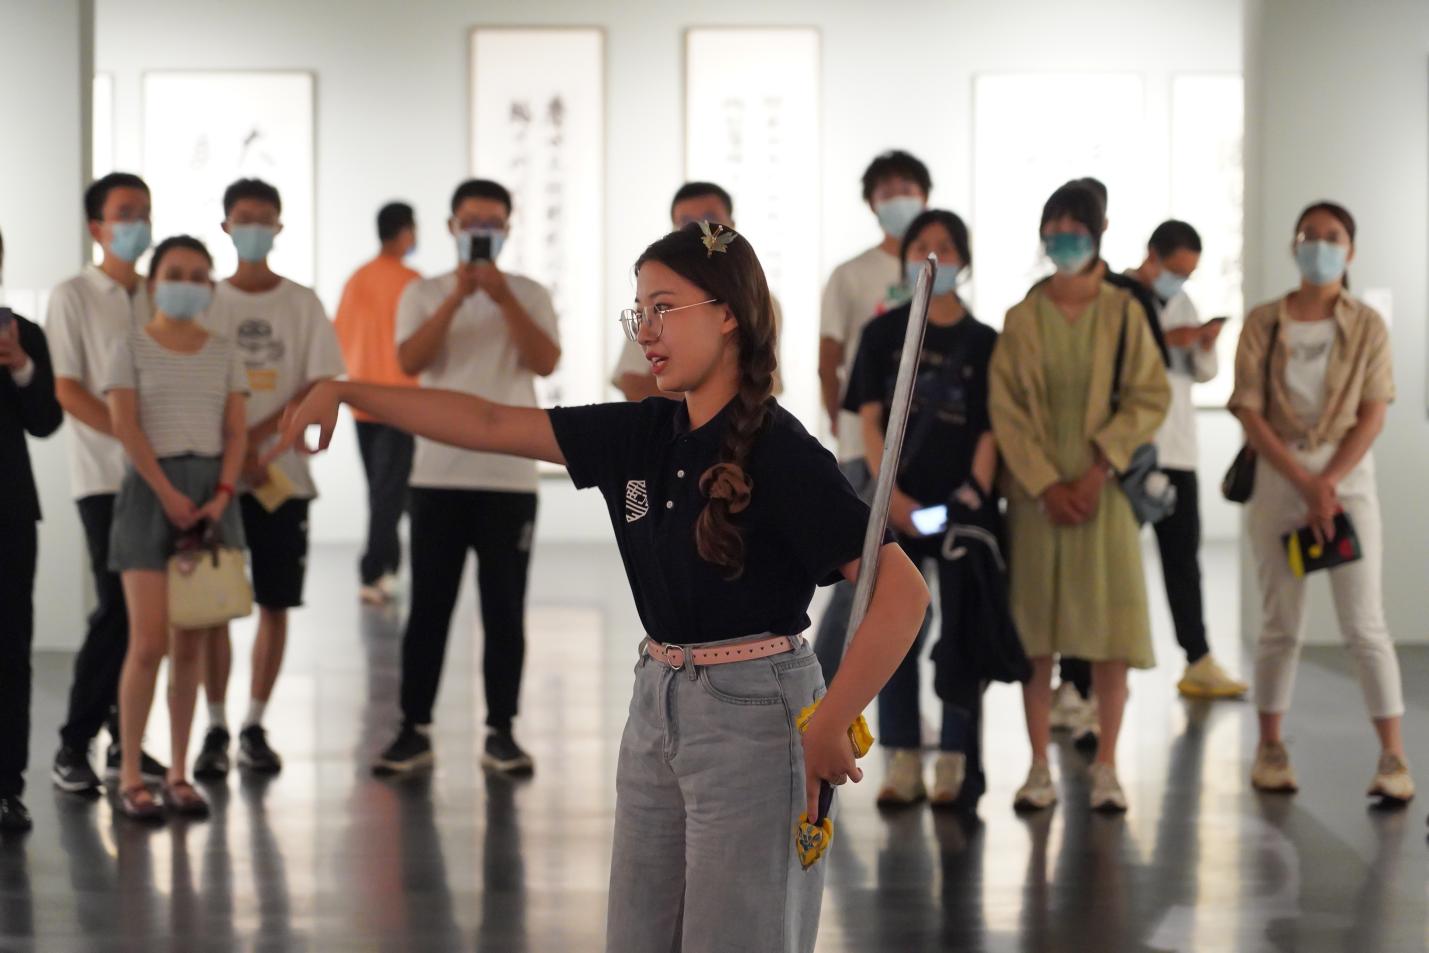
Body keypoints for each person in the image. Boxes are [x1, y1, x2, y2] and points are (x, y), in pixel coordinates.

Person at [265, 221, 929, 953]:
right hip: (657, 702)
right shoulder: (643, 433)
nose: (646, 331)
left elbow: (901, 592)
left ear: (727, 314)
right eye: (637, 312)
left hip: (757, 713)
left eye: (664, 308)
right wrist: (345, 389)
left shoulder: (781, 449)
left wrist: (832, 718)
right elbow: (487, 420)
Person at [989, 182, 1169, 814]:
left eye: (1075, 226)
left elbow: (1150, 395)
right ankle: (1038, 766)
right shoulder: (1022, 317)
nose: (1063, 237)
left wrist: (1096, 472)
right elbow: (1005, 410)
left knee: (1111, 636)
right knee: (1036, 636)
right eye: (1054, 226)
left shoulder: (1124, 312)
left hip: (1105, 494)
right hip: (1037, 501)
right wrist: (1045, 482)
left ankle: (1108, 767)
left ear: (1099, 232)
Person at [370, 178, 560, 778]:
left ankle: (502, 731)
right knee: (429, 606)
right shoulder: (424, 292)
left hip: (509, 478)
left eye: (492, 223)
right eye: (471, 222)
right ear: (451, 227)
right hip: (437, 474)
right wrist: (457, 296)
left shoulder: (529, 293)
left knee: (504, 610)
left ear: (508, 229)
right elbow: (410, 361)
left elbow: (545, 361)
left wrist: (502, 299)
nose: (481, 232)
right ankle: (413, 729)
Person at [1230, 201, 1413, 803]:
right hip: (1280, 477)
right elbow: (1249, 408)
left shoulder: (1367, 325)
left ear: (1350, 250)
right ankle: (1270, 749)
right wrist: (1305, 484)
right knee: (1280, 624)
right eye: (1308, 235)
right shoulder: (1263, 322)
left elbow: (1374, 411)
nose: (1319, 245)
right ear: (1294, 245)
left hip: (1347, 480)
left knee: (1365, 625)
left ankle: (1393, 757)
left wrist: (1327, 481)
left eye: (1332, 237)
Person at [843, 209, 1001, 812]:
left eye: (946, 247)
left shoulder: (984, 342)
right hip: (896, 506)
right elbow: (868, 420)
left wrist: (970, 496)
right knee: (894, 632)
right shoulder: (883, 334)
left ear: (966, 259)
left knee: (961, 632)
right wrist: (893, 500)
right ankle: (902, 759)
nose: (933, 257)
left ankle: (955, 759)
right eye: (921, 246)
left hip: (961, 509)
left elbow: (989, 428)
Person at [193, 178, 345, 779]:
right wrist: (237, 453)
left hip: (283, 479)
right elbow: (192, 382)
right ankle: (214, 725)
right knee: (213, 604)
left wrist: (262, 447)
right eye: (244, 218)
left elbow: (319, 383)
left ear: (279, 227)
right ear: (225, 226)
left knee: (275, 602)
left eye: (265, 218)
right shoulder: (205, 300)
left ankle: (254, 723)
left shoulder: (301, 303)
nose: (254, 228)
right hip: (218, 481)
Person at [103, 235, 249, 820]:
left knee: (191, 641)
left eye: (196, 275)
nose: (186, 284)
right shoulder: (130, 345)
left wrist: (220, 496)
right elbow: (125, 425)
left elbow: (236, 431)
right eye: (175, 273)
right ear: (153, 282)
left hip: (212, 495)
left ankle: (181, 773)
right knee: (147, 643)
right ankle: (131, 775)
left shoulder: (225, 351)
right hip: (149, 491)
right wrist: (167, 493)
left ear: (210, 286)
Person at [47, 172, 168, 794]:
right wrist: (131, 440)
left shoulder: (161, 294)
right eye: (125, 212)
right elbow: (67, 390)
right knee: (117, 607)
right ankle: (74, 743)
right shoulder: (73, 295)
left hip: (164, 479)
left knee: (151, 618)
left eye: (144, 211)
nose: (138, 223)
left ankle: (127, 742)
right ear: (97, 227)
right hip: (103, 478)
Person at [814, 150, 930, 682]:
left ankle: (897, 707)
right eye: (887, 191)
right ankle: (818, 697)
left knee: (911, 585)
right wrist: (843, 429)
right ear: (871, 203)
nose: (899, 199)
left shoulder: (935, 271)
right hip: (865, 449)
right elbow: (829, 359)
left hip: (923, 451)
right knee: (858, 581)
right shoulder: (851, 275)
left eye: (908, 187)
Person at [1124, 220, 1247, 699]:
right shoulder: (1119, 296)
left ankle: (1198, 660)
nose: (1179, 281)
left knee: (1183, 562)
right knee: (1112, 564)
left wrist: (1204, 344)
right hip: (1128, 454)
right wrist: (1164, 341)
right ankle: (1085, 676)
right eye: (1175, 270)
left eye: (1188, 274)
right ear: (1151, 255)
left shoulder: (1184, 303)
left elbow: (1202, 373)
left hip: (1177, 453)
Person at [0, 227, 65, 832]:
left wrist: (20, 366)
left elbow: (46, 421)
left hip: (9, 514)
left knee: (10, 650)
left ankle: (6, 787)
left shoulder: (23, 334)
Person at [611, 181, 782, 401]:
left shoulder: (762, 300)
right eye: (686, 223)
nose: (700, 231)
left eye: (710, 219)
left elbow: (766, 380)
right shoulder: (650, 304)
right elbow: (632, 381)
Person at [333, 201, 422, 606]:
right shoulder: (412, 282)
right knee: (389, 493)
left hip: (362, 399)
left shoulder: (357, 279)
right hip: (400, 402)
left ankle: (387, 566)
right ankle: (375, 571)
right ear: (405, 233)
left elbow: (339, 334)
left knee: (383, 491)